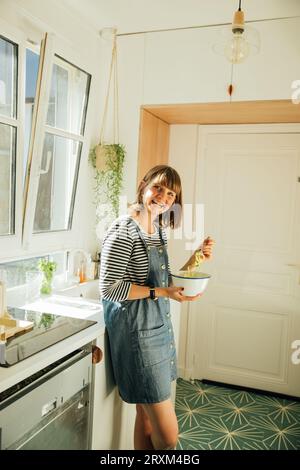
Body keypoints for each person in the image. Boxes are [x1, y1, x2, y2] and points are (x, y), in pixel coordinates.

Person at [99, 165, 214, 450]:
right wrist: (161, 291)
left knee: (145, 417)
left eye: (170, 193)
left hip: (158, 331)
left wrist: (196, 258)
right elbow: (110, 288)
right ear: (144, 186)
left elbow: (163, 281)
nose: (162, 197)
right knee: (169, 436)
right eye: (158, 188)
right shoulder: (124, 229)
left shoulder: (158, 229)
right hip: (138, 337)